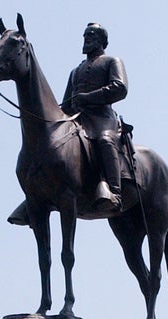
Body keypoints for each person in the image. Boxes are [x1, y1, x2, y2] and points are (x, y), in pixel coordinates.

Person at [61, 22, 127, 210]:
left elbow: (120, 88)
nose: (87, 38)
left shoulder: (112, 61)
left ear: (101, 41)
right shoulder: (75, 71)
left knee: (105, 141)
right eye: (85, 35)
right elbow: (66, 104)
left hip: (102, 118)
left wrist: (88, 97)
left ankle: (115, 193)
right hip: (77, 119)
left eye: (91, 35)